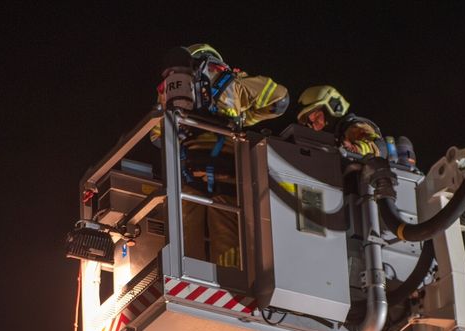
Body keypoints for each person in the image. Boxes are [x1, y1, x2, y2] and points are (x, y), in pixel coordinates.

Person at [154, 44, 289, 269]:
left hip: (188, 178)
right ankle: (230, 281)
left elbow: (156, 136)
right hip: (226, 177)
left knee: (185, 236)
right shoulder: (232, 85)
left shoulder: (169, 92)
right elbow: (280, 100)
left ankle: (187, 280)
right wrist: (243, 118)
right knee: (228, 242)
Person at [295, 85, 387, 159]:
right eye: (309, 122)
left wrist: (355, 149)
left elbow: (379, 148)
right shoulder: (337, 135)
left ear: (333, 108)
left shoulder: (353, 127)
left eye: (315, 116)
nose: (312, 125)